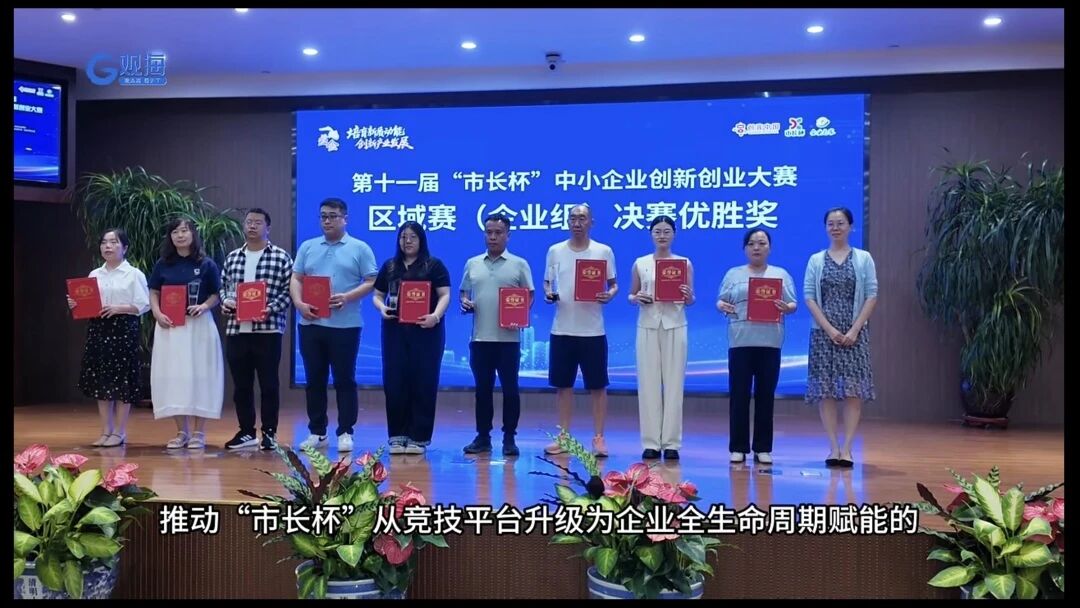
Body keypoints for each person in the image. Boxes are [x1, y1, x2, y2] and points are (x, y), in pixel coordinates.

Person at [290, 198, 378, 452]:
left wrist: (347, 297)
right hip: (311, 322)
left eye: (332, 216)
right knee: (314, 379)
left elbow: (371, 280)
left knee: (344, 379)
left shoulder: (359, 248)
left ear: (345, 219)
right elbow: (296, 278)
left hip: (346, 325)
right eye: (323, 216)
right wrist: (299, 303)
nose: (327, 221)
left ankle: (346, 431)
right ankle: (317, 432)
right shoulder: (308, 246)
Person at [803, 207, 878, 467]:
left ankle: (847, 449)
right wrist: (830, 330)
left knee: (853, 391)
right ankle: (833, 447)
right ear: (826, 228)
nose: (835, 228)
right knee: (826, 391)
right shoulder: (816, 260)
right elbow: (809, 297)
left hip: (855, 333)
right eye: (831, 224)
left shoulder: (863, 258)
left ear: (850, 227)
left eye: (840, 223)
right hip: (823, 334)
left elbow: (872, 294)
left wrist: (854, 329)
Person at [717, 228, 797, 464]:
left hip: (770, 342)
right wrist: (722, 306)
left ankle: (763, 448)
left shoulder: (780, 274)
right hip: (740, 341)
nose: (757, 247)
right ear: (745, 248)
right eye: (752, 243)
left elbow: (793, 304)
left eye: (762, 243)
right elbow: (721, 300)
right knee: (739, 395)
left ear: (769, 248)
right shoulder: (733, 274)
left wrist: (787, 308)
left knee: (765, 396)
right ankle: (738, 447)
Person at [543, 204, 617, 457]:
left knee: (598, 386)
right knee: (563, 386)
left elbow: (613, 284)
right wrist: (548, 293)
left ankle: (599, 438)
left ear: (591, 222)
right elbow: (548, 282)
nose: (577, 222)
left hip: (592, 330)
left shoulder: (603, 251)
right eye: (573, 218)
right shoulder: (555, 250)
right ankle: (564, 437)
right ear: (567, 222)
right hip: (562, 329)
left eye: (582, 218)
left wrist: (609, 294)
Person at [373, 221, 452, 455]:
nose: (407, 241)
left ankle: (419, 437)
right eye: (403, 237)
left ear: (421, 240)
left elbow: (445, 295)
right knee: (395, 381)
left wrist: (435, 316)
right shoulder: (390, 266)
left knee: (423, 381)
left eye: (412, 237)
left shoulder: (434, 265)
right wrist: (381, 308)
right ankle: (397, 436)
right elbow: (377, 295)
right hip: (395, 332)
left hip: (427, 332)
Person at [460, 213, 535, 457]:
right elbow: (464, 292)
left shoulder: (519, 264)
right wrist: (465, 302)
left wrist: (519, 314)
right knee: (482, 391)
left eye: (498, 233)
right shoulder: (473, 263)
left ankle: (509, 438)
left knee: (510, 391)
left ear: (508, 236)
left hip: (508, 340)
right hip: (480, 339)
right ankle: (483, 437)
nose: (493, 237)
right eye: (489, 232)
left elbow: (529, 295)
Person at [67, 228, 150, 448]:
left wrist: (119, 308)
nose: (108, 246)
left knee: (122, 381)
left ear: (125, 247)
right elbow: (88, 303)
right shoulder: (95, 274)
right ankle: (106, 430)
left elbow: (144, 304)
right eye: (104, 242)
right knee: (101, 380)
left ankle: (120, 432)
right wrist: (76, 304)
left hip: (123, 328)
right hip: (98, 328)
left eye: (113, 242)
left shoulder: (134, 274)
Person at [220, 208, 293, 451]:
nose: (252, 226)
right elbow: (224, 287)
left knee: (269, 384)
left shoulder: (281, 257)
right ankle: (246, 432)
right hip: (237, 330)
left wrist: (269, 308)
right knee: (241, 386)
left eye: (258, 222)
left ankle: (269, 433)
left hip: (267, 331)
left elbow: (289, 291)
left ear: (268, 228)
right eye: (249, 222)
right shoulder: (233, 257)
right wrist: (227, 301)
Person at [147, 218, 225, 449]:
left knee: (201, 375)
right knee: (173, 376)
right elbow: (154, 291)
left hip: (199, 326)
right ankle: (182, 431)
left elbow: (216, 294)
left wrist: (204, 306)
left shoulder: (206, 263)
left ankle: (199, 433)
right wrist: (157, 313)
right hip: (170, 327)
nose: (180, 235)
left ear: (193, 234)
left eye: (184, 231)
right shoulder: (163, 264)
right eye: (175, 232)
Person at [628, 216, 695, 461]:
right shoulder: (641, 263)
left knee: (674, 385)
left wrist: (688, 296)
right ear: (651, 235)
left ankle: (672, 443)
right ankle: (651, 443)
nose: (662, 235)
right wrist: (637, 298)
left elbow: (690, 299)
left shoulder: (684, 263)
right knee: (648, 384)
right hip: (647, 325)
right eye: (657, 231)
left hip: (675, 325)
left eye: (667, 231)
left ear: (674, 234)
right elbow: (631, 295)